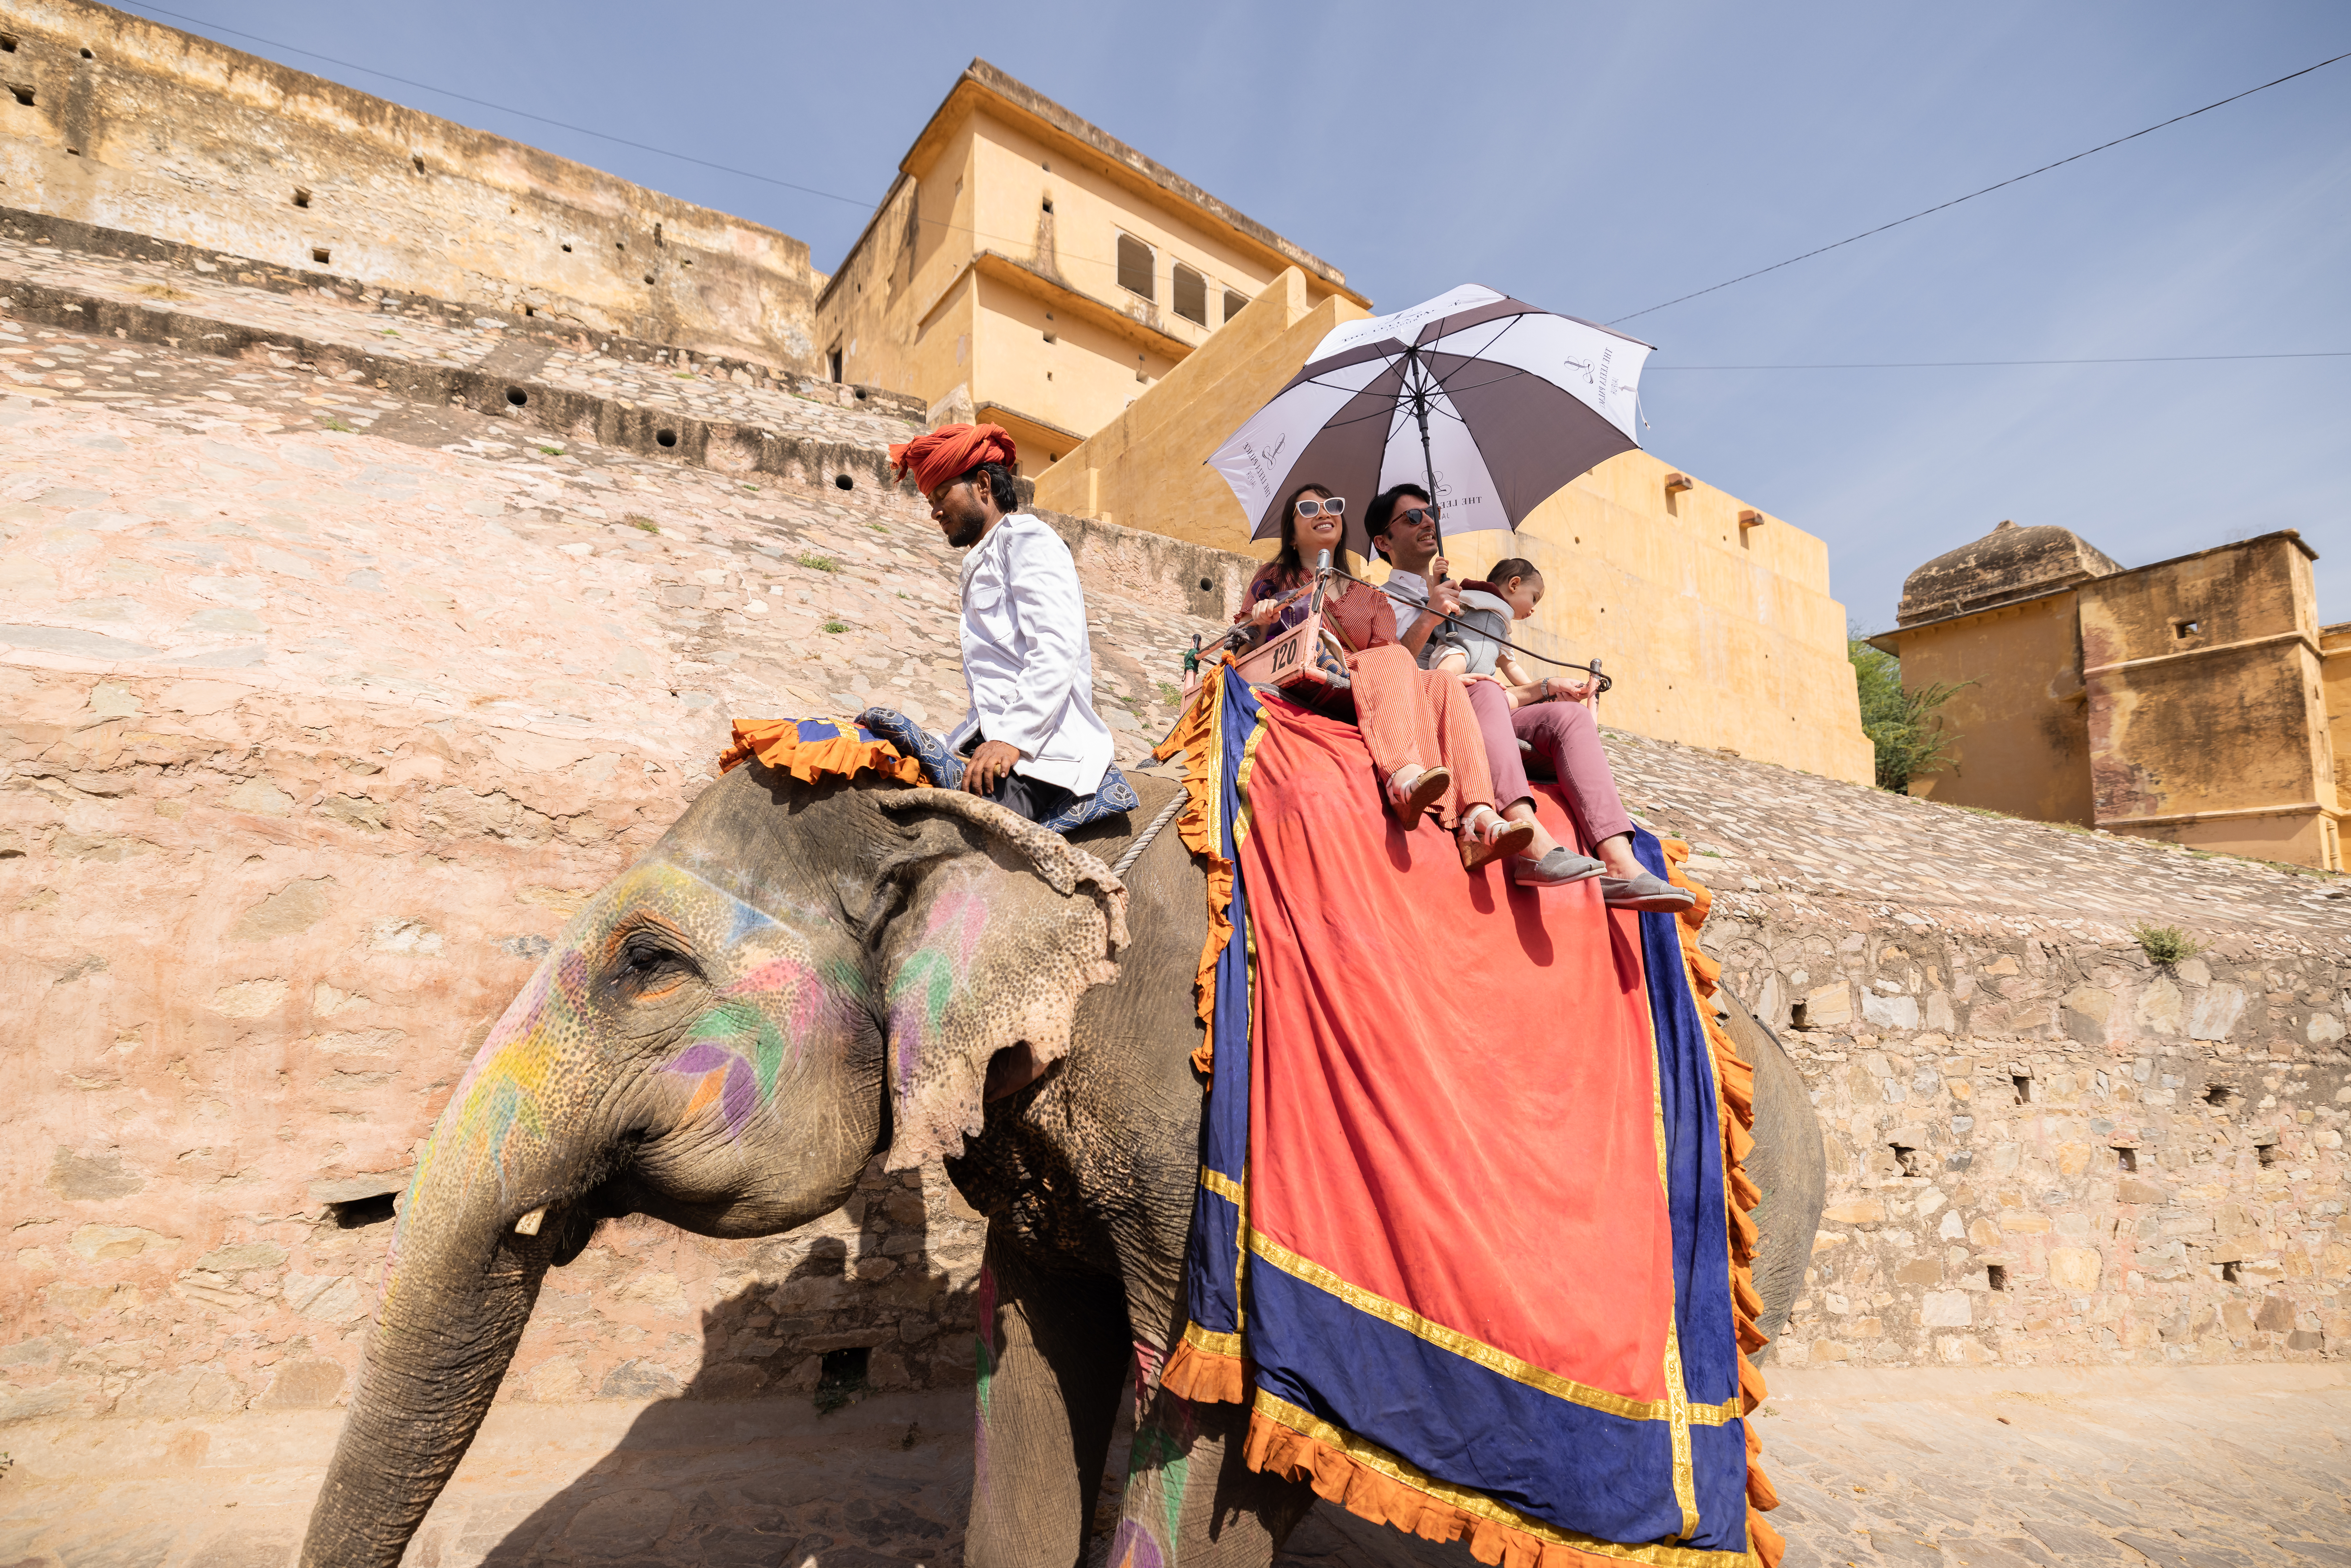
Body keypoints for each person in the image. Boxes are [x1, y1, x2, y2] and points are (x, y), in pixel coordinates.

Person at [1365, 500, 1692, 911]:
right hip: (1433, 700)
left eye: (1430, 512)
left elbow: (1495, 671)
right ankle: (1531, 841)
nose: (1427, 521)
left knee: (1569, 716)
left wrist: (1549, 686)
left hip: (1481, 699)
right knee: (1483, 691)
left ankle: (1620, 865)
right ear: (1383, 541)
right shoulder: (1376, 599)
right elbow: (1383, 666)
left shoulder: (1464, 593)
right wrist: (1430, 618)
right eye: (1413, 517)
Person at [1250, 482, 1532, 870]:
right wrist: (1263, 619)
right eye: (1309, 509)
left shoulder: (1368, 594)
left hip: (1365, 678)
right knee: (1391, 658)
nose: (1325, 513)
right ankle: (1403, 778)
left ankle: (1477, 819)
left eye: (1332, 505)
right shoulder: (1275, 578)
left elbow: (1396, 659)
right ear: (1292, 532)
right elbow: (1245, 641)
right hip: (1310, 669)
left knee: (1445, 682)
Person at [887, 422, 1117, 826]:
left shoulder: (1028, 539)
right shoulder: (982, 559)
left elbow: (1056, 649)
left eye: (942, 495)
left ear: (981, 485)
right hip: (992, 737)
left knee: (965, 848)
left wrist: (1011, 739)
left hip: (1039, 754)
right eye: (930, 500)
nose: (934, 511)